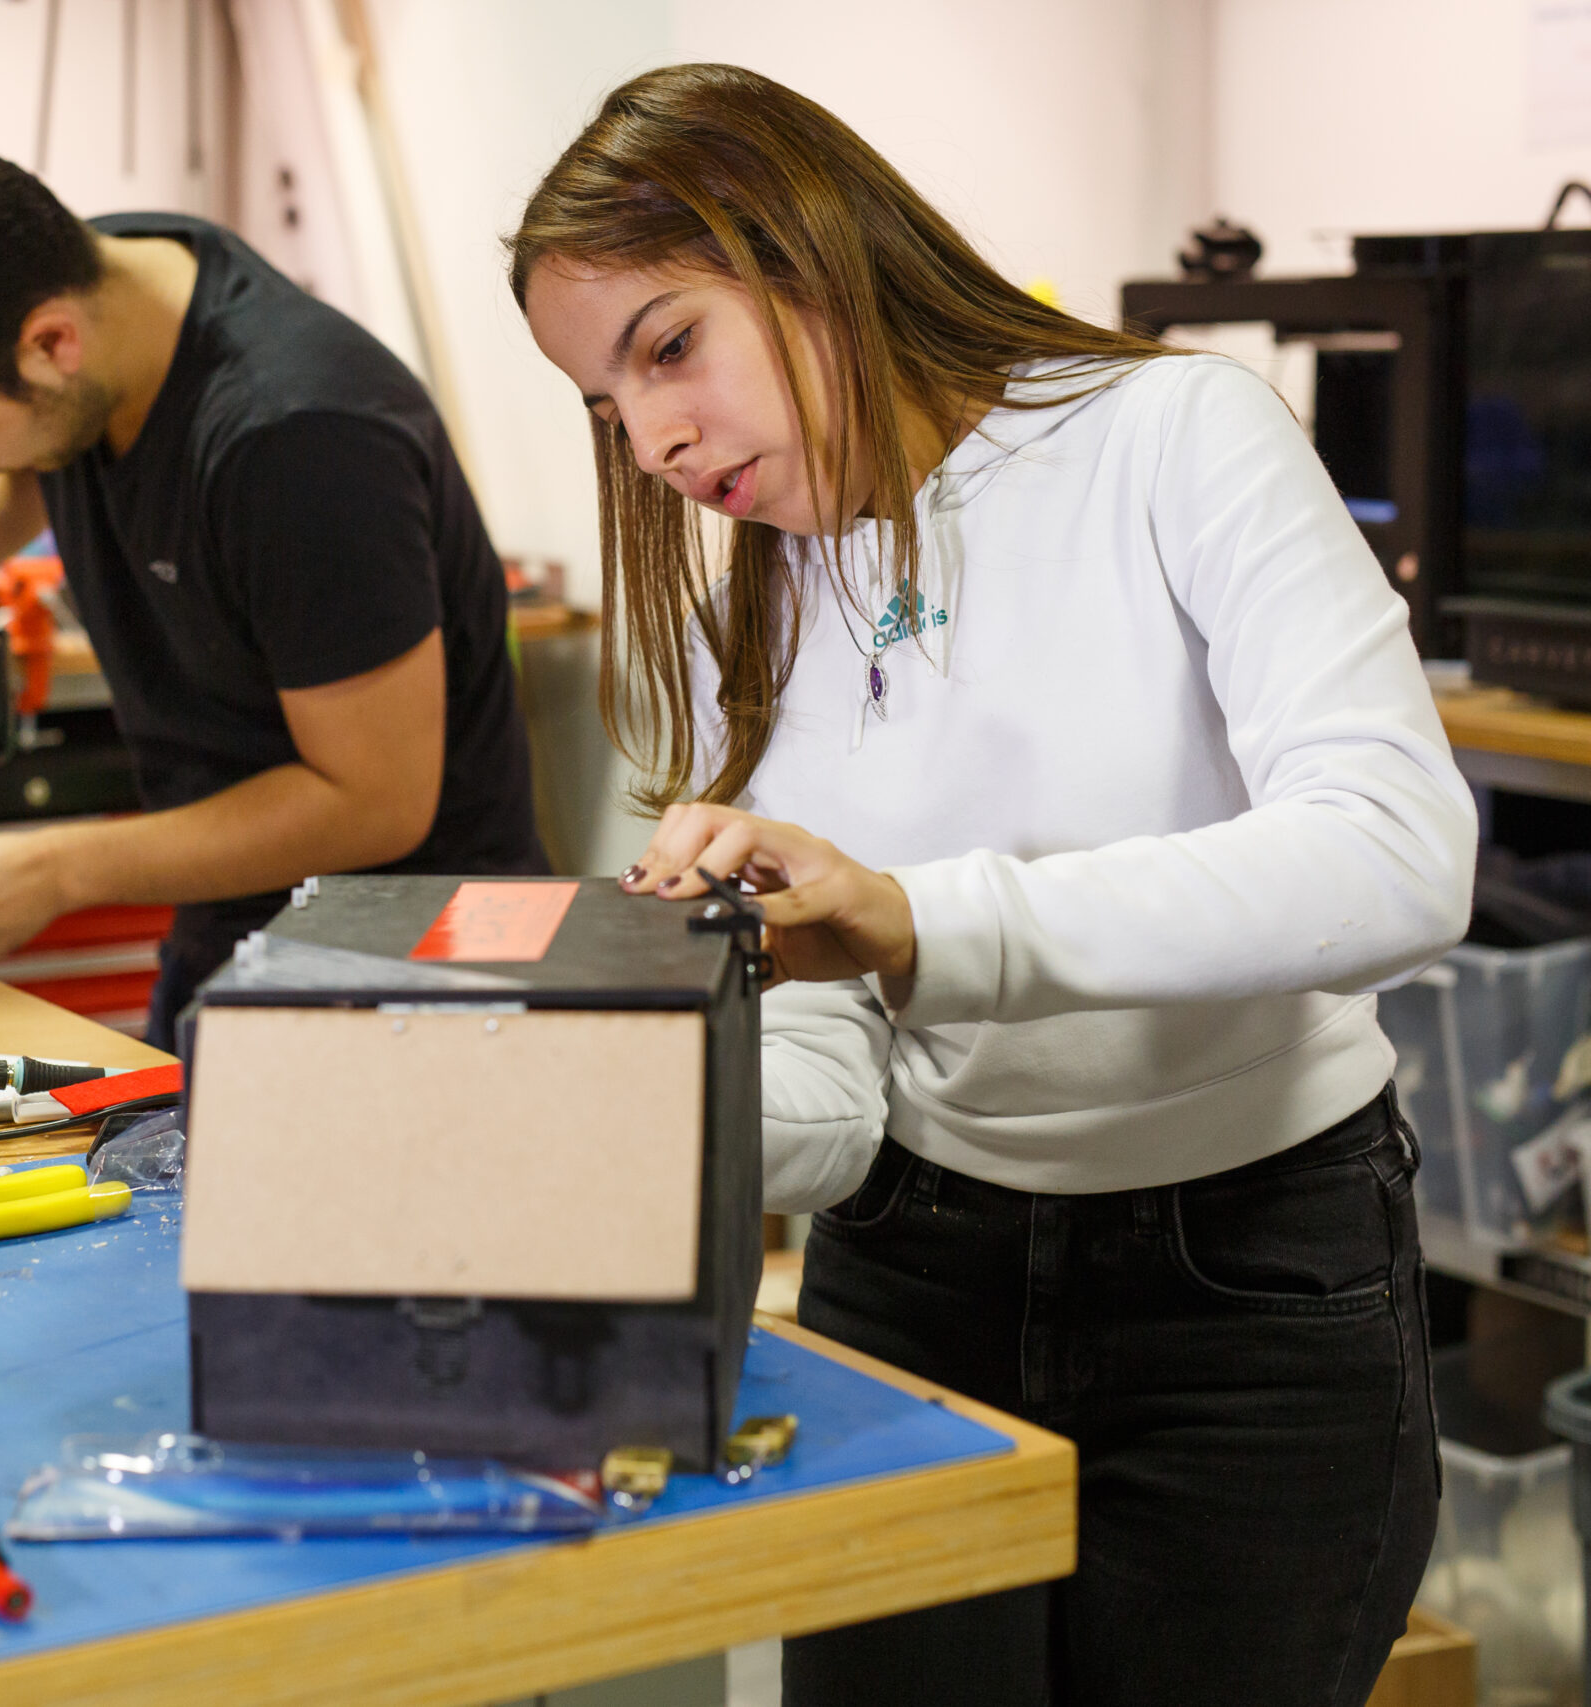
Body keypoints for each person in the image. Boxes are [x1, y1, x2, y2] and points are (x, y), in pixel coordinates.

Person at [510, 65, 1472, 1707]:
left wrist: (913, 918)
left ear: (812, 248)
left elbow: (1397, 848)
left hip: (1248, 1301)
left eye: (669, 345)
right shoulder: (762, 585)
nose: (656, 439)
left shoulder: (1173, 436)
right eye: (608, 407)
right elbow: (848, 1079)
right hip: (915, 1275)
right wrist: (683, 1044)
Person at [0, 143, 547, 1046]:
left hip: (420, 973)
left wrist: (57, 869)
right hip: (234, 918)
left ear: (53, 342)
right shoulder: (99, 283)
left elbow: (375, 799)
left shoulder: (302, 441)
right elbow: (22, 456)